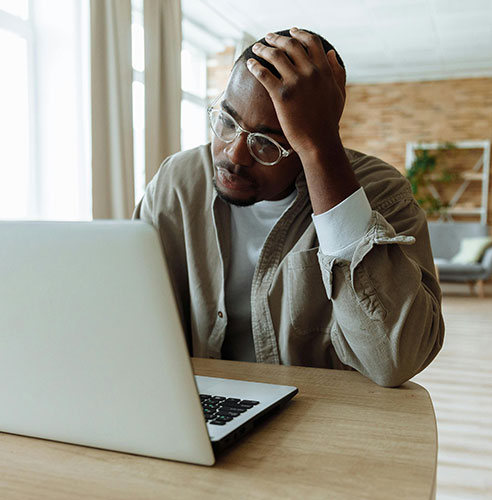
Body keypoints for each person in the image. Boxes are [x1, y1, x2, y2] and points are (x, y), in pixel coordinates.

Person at [133, 28, 444, 387]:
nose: (233, 154)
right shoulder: (179, 181)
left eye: (266, 143)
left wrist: (322, 151)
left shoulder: (380, 193)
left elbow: (397, 360)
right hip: (196, 405)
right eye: (227, 121)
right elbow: (128, 307)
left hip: (322, 420)